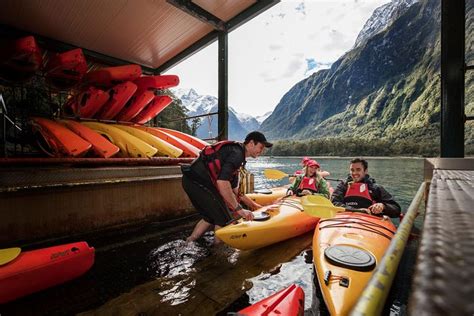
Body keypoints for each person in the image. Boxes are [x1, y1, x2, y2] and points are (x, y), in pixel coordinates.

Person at [182, 131, 273, 243]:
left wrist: (255, 206)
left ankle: (189, 242)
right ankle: (219, 254)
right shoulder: (237, 154)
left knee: (210, 217)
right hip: (198, 183)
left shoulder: (237, 153)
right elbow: (222, 182)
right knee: (224, 220)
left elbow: (235, 189)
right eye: (261, 147)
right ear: (251, 143)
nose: (262, 151)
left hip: (189, 181)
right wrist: (239, 209)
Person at [331, 158, 401, 217]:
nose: (354, 173)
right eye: (352, 170)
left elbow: (396, 209)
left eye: (358, 170)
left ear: (365, 171)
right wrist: (357, 210)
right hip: (345, 219)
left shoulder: (375, 188)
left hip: (369, 221)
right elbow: (334, 202)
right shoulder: (343, 186)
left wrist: (383, 206)